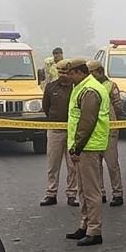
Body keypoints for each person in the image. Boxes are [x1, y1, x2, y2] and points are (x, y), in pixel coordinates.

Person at [60, 58, 109, 246]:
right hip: (84, 146)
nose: (67, 76)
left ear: (79, 72)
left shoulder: (90, 90)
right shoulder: (81, 87)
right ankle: (85, 226)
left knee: (91, 192)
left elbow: (87, 122)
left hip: (88, 147)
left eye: (70, 73)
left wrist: (77, 148)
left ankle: (95, 231)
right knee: (83, 190)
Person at [40, 65, 79, 207]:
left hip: (72, 131)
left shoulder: (77, 88)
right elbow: (46, 107)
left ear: (71, 73)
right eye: (61, 72)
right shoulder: (50, 87)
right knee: (53, 164)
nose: (63, 75)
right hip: (55, 130)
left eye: (66, 72)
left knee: (72, 165)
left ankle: (72, 194)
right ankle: (51, 194)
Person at [88, 60, 124, 206]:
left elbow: (118, 106)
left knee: (112, 164)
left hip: (109, 131)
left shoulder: (111, 86)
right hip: (94, 131)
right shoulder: (88, 86)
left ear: (100, 72)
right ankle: (101, 192)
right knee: (96, 165)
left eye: (92, 72)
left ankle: (117, 193)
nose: (90, 75)